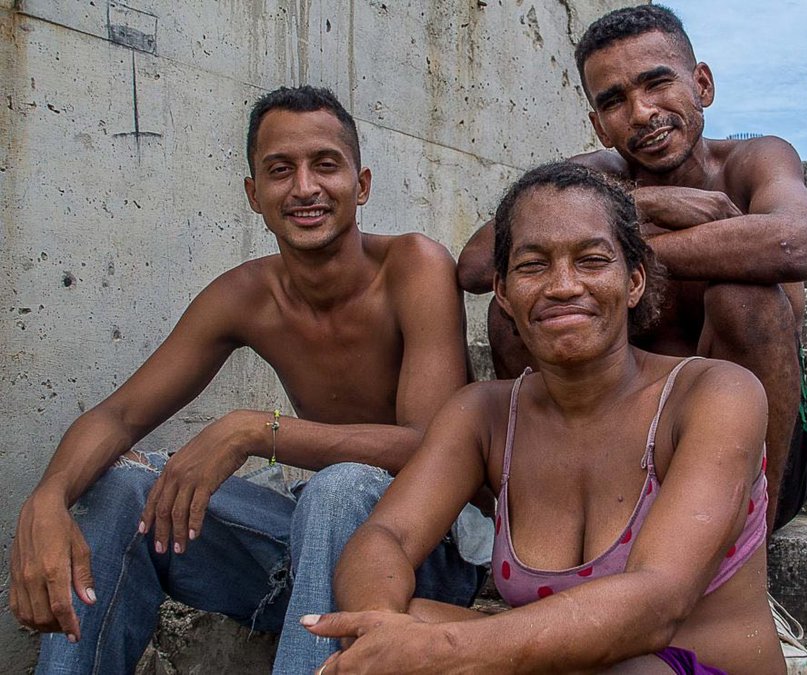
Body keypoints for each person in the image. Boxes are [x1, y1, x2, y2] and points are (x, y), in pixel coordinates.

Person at [9, 86, 488, 675]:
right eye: (280, 171)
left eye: (326, 165)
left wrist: (258, 430)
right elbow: (119, 416)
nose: (305, 188)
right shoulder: (244, 296)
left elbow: (430, 445)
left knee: (339, 489)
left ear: (361, 186)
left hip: (426, 553)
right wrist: (49, 498)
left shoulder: (414, 267)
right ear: (253, 195)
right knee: (120, 486)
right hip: (309, 540)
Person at [304, 161, 784, 674]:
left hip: (686, 669)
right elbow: (386, 537)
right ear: (505, 293)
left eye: (592, 261)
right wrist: (380, 627)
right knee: (410, 619)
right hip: (557, 666)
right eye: (533, 265)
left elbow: (656, 603)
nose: (562, 285)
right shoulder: (483, 414)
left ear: (635, 280)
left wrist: (436, 651)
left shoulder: (713, 394)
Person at [455, 7, 807, 670]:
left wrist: (621, 248)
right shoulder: (594, 178)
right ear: (598, 122)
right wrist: (636, 209)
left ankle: (748, 579)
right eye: (616, 100)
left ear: (701, 84)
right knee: (514, 309)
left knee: (746, 296)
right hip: (613, 452)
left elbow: (793, 241)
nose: (644, 112)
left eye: (659, 84)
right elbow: (480, 264)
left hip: (749, 457)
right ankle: (550, 537)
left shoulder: (754, 163)